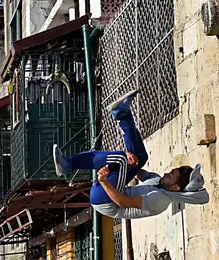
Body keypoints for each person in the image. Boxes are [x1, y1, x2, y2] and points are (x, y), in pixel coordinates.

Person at [52, 89, 209, 219]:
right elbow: (139, 171)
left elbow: (122, 202)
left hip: (105, 200)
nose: (166, 173)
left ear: (175, 188)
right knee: (141, 157)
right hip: (111, 190)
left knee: (121, 158)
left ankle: (68, 165)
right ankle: (122, 114)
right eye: (170, 171)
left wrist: (105, 180)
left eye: (170, 176)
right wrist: (132, 161)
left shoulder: (160, 200)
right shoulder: (156, 181)